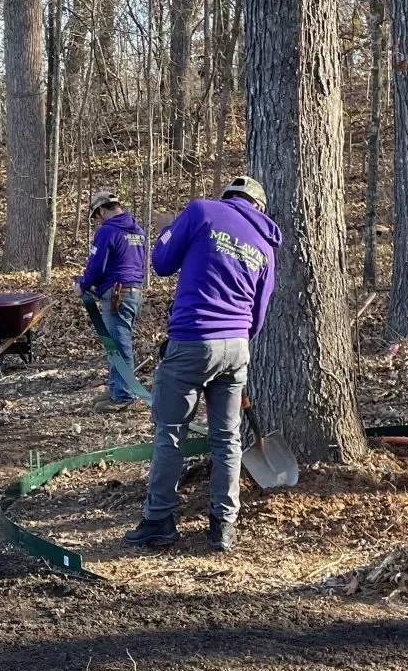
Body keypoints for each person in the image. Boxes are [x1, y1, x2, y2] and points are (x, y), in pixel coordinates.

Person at [124, 175, 279, 554]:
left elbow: (161, 262)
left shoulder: (202, 212)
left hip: (193, 340)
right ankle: (223, 526)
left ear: (229, 197)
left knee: (170, 433)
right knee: (227, 438)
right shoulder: (266, 246)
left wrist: (169, 232)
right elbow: (259, 315)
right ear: (258, 207)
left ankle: (159, 521)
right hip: (237, 347)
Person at [76, 190, 146, 407]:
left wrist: (83, 285)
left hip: (117, 296)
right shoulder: (138, 230)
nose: (97, 221)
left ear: (102, 210)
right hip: (132, 292)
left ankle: (123, 395)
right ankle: (117, 389)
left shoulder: (108, 230)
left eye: (96, 216)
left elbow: (97, 265)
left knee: (118, 345)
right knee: (115, 344)